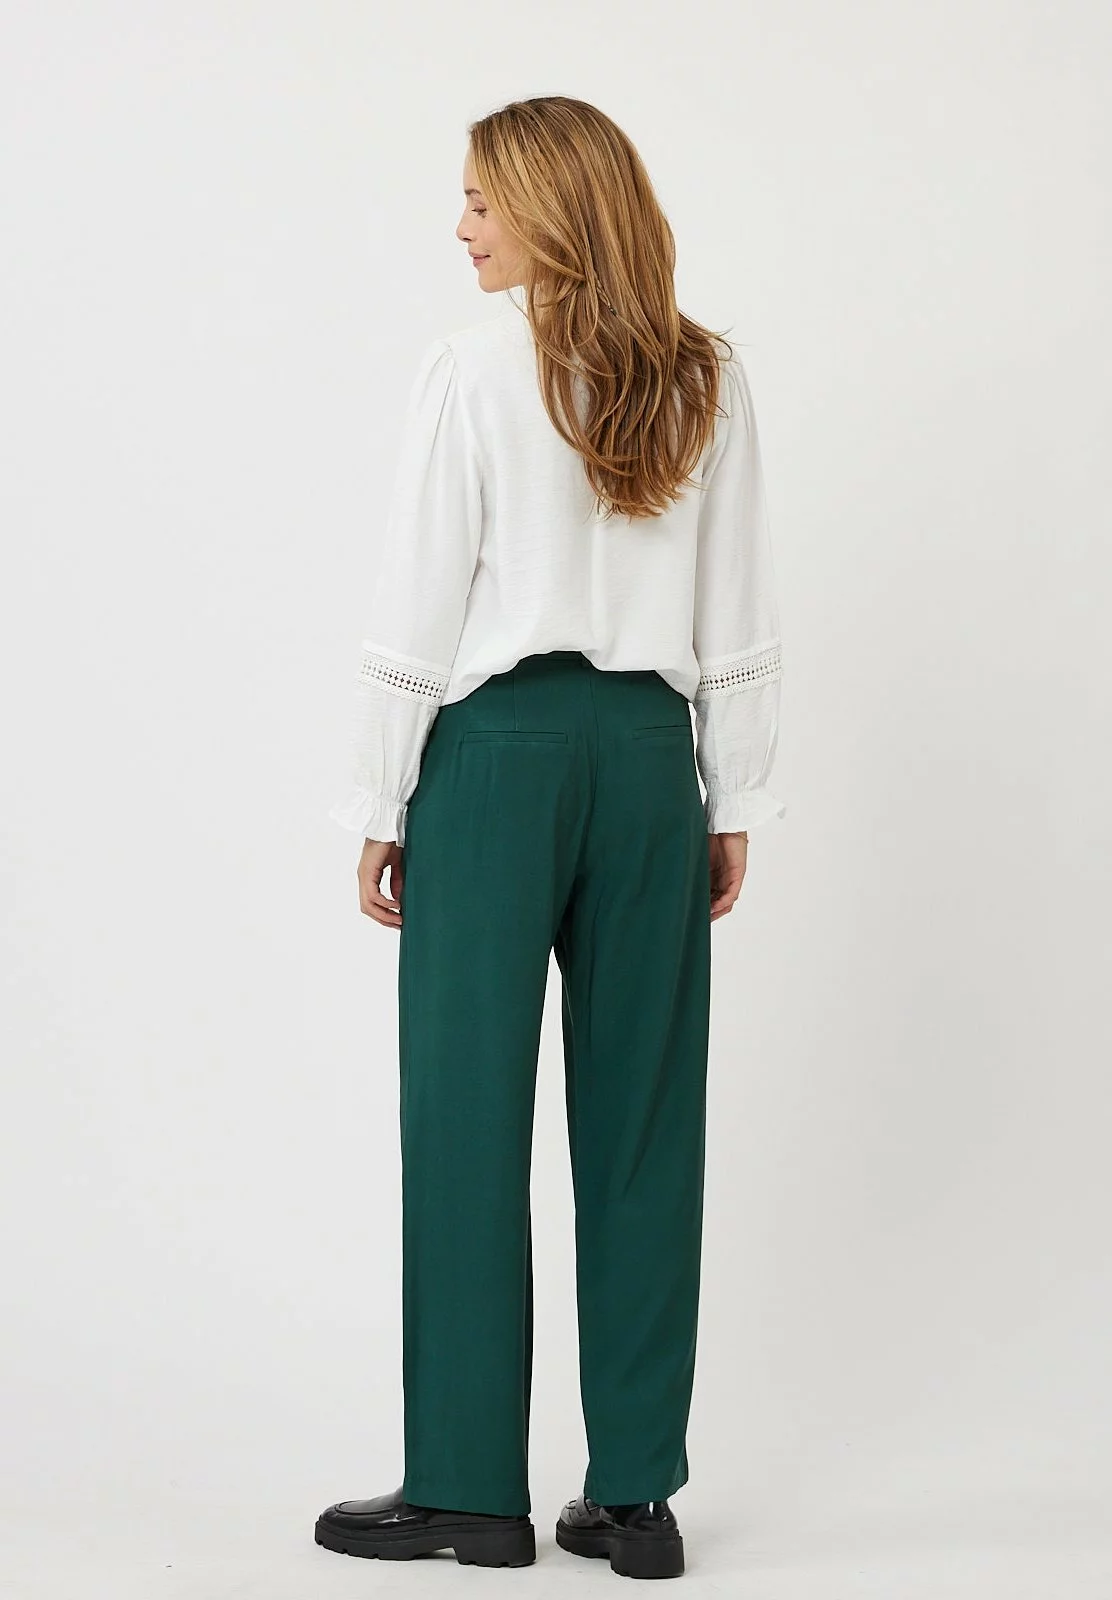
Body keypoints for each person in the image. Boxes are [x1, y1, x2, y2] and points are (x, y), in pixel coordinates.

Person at [314, 95, 786, 1582]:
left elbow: (420, 597)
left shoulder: (469, 370)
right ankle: (634, 1498)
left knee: (465, 1114)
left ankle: (467, 1488)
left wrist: (381, 800)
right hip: (650, 763)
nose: (459, 227)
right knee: (645, 1122)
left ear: (547, 207)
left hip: (497, 759)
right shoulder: (704, 374)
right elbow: (737, 599)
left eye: (480, 199)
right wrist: (731, 798)